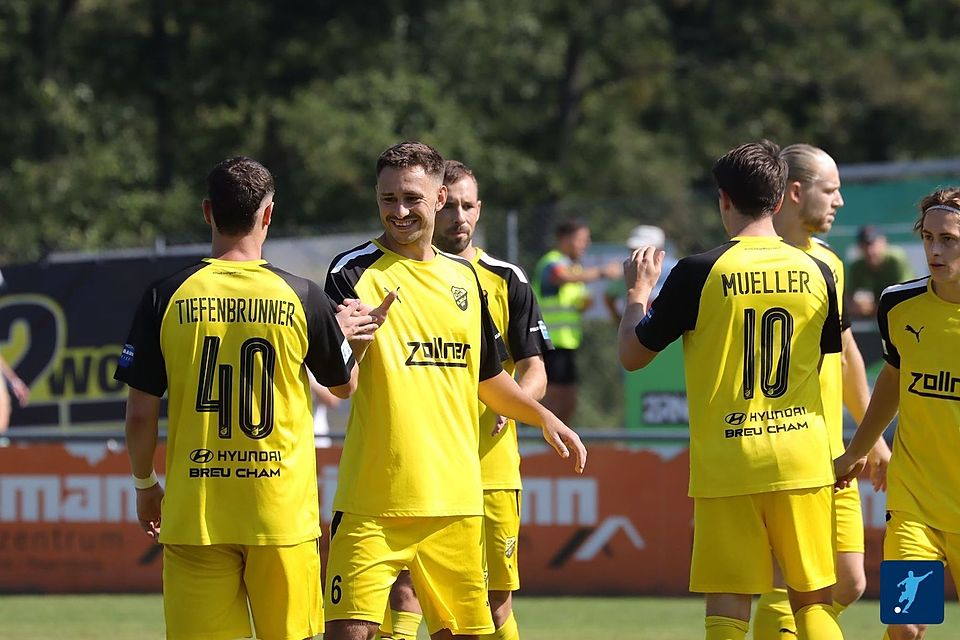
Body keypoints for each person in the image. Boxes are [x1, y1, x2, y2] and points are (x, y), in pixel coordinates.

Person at [322, 141, 586, 640]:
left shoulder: (464, 278)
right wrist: (351, 341)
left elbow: (489, 379)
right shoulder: (350, 272)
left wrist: (544, 416)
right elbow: (340, 386)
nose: (398, 211)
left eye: (411, 198)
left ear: (439, 197)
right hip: (374, 503)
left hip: (456, 505)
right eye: (387, 199)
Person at [114, 156, 379, 640]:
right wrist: (345, 338)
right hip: (280, 516)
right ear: (269, 215)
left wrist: (145, 483)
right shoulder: (302, 295)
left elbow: (139, 414)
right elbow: (345, 385)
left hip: (197, 515)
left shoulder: (165, 295)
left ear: (207, 212)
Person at [619, 140, 844, 640]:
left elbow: (633, 356)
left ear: (723, 199)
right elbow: (825, 359)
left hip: (729, 457)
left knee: (729, 599)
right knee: (811, 598)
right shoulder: (820, 271)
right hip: (802, 455)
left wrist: (637, 294)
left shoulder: (698, 271)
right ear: (781, 199)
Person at [379, 159, 552, 640]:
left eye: (468, 205)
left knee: (495, 599)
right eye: (450, 204)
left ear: (480, 210)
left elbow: (534, 366)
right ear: (436, 202)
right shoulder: (401, 272)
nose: (459, 215)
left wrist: (512, 402)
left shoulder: (506, 278)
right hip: (424, 465)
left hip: (492, 468)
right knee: (406, 587)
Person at [752, 143, 892, 639]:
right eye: (830, 189)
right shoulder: (751, 262)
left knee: (850, 581)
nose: (840, 201)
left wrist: (870, 436)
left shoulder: (829, 264)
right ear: (794, 192)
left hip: (832, 446)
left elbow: (847, 353)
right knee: (783, 585)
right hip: (782, 446)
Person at [835, 188, 960, 640]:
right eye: (928, 238)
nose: (935, 250)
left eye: (948, 239)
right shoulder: (899, 304)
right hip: (917, 503)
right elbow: (892, 379)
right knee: (906, 625)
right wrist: (856, 452)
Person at [532, 219, 619, 423]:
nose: (585, 244)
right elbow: (561, 277)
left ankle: (557, 448)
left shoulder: (575, 269)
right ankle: (538, 447)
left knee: (569, 398)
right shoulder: (552, 262)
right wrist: (602, 272)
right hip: (549, 343)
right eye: (581, 239)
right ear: (564, 239)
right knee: (553, 397)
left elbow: (576, 301)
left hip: (568, 342)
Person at [603, 224, 676, 323]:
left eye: (644, 250)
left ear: (659, 250)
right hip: (637, 336)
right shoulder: (629, 272)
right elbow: (609, 296)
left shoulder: (676, 271)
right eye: (634, 250)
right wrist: (619, 321)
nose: (637, 254)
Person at [847, 224, 914, 319]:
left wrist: (875, 307)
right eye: (865, 245)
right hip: (876, 314)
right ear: (860, 247)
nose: (870, 250)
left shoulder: (896, 259)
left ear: (884, 242)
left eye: (873, 243)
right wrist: (856, 305)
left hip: (902, 312)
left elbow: (905, 295)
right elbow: (848, 299)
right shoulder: (857, 266)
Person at [309, 371, 340, 447]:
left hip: (318, 439)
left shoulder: (315, 368)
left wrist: (309, 381)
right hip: (294, 437)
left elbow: (332, 400)